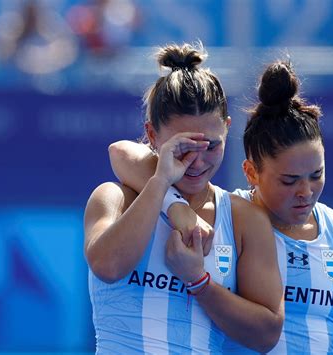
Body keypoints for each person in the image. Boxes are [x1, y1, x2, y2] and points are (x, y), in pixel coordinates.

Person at [109, 60, 333, 354]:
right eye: (289, 180)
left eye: (316, 175)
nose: (305, 192)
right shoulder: (227, 216)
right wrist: (176, 206)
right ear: (251, 172)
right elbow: (122, 153)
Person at [84, 42, 283, 354]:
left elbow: (266, 334)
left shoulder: (245, 218)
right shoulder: (114, 198)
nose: (197, 162)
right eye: (184, 148)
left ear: (228, 129)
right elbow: (107, 267)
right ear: (152, 135)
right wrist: (164, 186)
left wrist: (198, 282)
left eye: (212, 146)